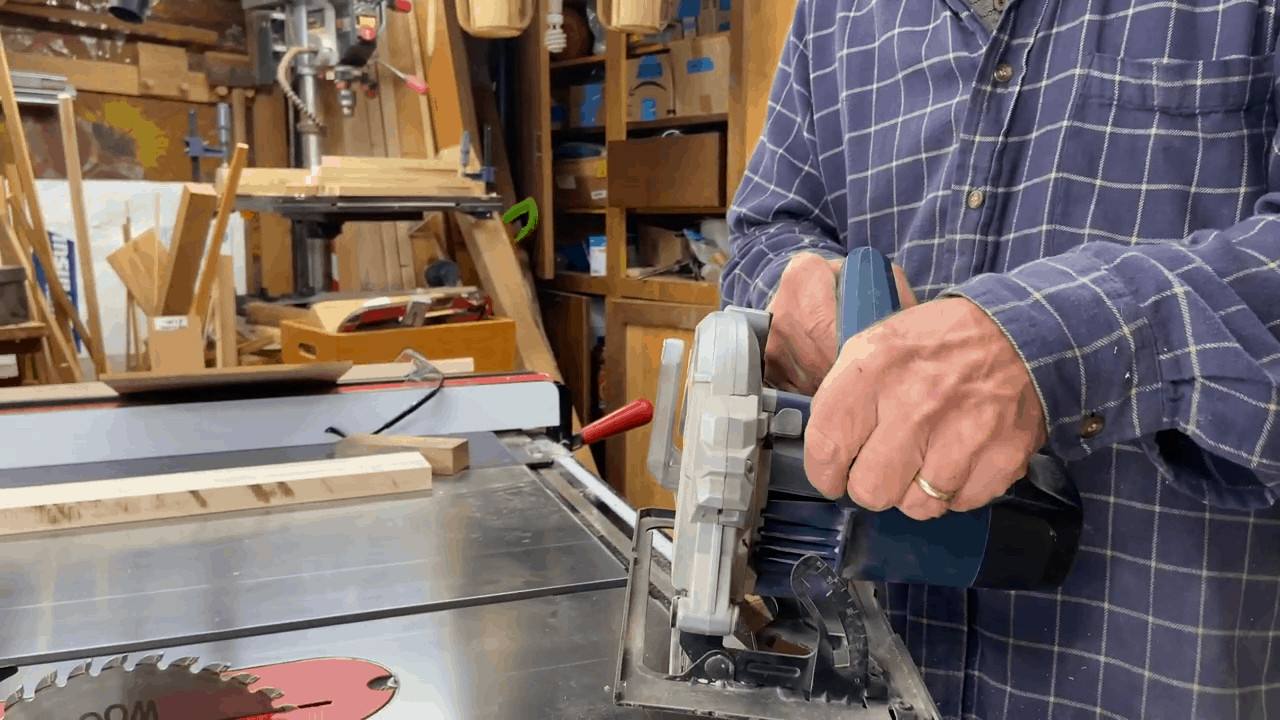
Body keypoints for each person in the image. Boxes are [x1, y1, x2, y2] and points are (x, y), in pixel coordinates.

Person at [721, 1, 1280, 718]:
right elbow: (768, 228)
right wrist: (791, 285)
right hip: (870, 676)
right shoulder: (833, 13)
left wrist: (1053, 342)